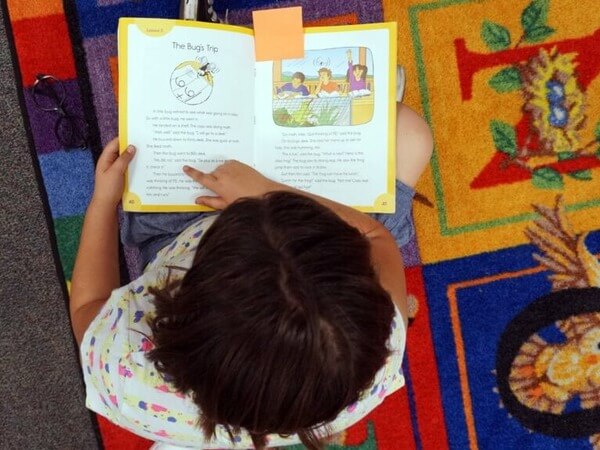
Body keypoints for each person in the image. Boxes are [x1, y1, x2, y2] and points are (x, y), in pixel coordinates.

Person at [70, 102, 433, 449]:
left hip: (185, 228)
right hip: (327, 243)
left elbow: (88, 302)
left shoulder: (126, 367)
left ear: (181, 306)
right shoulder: (378, 347)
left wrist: (104, 200)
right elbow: (372, 236)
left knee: (161, 140)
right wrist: (267, 190)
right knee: (412, 135)